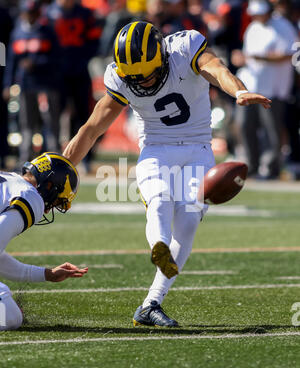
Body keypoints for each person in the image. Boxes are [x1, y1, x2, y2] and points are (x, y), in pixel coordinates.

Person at [63, 21, 271, 327]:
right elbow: (92, 129)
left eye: (148, 74)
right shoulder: (121, 76)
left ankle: (151, 303)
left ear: (162, 56)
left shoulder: (185, 48)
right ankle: (159, 247)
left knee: (187, 218)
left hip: (199, 146)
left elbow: (216, 68)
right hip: (156, 148)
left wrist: (237, 92)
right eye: (136, 78)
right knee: (159, 200)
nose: (143, 83)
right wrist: (62, 166)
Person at [0, 152, 88, 330]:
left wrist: (47, 274)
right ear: (49, 185)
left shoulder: (9, 179)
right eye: (55, 202)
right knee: (9, 316)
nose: (48, 210)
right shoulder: (31, 196)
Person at [232, 0, 298, 179]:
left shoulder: (283, 26)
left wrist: (259, 58)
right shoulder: (253, 28)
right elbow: (248, 55)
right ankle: (251, 165)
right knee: (244, 124)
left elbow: (288, 54)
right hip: (250, 85)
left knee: (271, 129)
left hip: (273, 87)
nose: (257, 16)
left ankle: (271, 167)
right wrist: (242, 59)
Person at [45, 0, 102, 173]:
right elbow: (44, 39)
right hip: (56, 74)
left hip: (79, 71)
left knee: (83, 115)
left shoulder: (85, 13)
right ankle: (51, 158)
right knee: (52, 115)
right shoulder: (49, 12)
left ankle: (85, 158)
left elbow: (94, 40)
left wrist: (81, 60)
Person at [3, 0, 62, 166]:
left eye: (33, 13)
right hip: (26, 85)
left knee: (50, 123)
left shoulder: (47, 31)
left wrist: (37, 63)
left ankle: (53, 159)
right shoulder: (17, 33)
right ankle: (25, 160)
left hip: (46, 85)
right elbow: (11, 63)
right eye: (27, 13)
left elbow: (57, 58)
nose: (29, 16)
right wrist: (8, 84)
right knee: (27, 124)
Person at [0, 6, 13, 170]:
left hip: (1, 73)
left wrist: (7, 82)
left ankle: (3, 156)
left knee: (2, 119)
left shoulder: (4, 14)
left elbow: (8, 49)